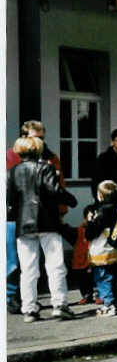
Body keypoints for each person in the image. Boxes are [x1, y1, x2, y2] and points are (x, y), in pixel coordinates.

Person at [7, 136, 78, 322]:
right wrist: (71, 200)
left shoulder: (12, 172)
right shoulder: (45, 168)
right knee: (55, 266)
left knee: (28, 269)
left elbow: (10, 201)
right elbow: (54, 191)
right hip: (47, 221)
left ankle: (29, 309)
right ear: (37, 150)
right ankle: (59, 305)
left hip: (24, 225)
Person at [85, 180, 117, 317]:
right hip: (114, 249)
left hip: (101, 250)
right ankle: (116, 303)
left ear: (100, 195)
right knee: (113, 277)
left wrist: (89, 222)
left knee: (102, 278)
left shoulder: (100, 211)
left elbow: (90, 233)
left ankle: (109, 304)